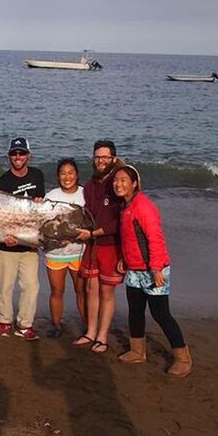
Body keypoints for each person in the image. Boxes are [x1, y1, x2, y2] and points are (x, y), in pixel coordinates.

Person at [113, 165, 192, 377]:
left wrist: (156, 269)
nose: (118, 184)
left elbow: (155, 239)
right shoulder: (125, 206)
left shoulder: (143, 206)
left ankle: (182, 358)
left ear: (134, 184)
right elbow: (129, 239)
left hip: (154, 269)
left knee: (161, 314)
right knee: (135, 311)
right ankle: (138, 351)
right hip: (135, 270)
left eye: (123, 180)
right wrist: (123, 259)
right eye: (116, 180)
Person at [73, 140, 124, 354]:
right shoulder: (92, 183)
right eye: (97, 157)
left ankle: (102, 336)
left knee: (106, 292)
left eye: (104, 157)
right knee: (90, 288)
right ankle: (90, 332)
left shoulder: (118, 181)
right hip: (92, 245)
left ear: (113, 158)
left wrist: (93, 233)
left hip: (110, 245)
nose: (100, 161)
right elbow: (88, 213)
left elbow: (118, 221)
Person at [0, 137, 46, 341]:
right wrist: (6, 237)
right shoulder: (3, 182)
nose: (18, 157)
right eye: (14, 154)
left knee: (31, 286)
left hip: (29, 245)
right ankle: (4, 321)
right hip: (6, 244)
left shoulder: (37, 175)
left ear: (28, 155)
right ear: (9, 157)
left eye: (21, 153)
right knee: (6, 286)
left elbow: (37, 211)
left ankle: (25, 324)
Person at [43, 158, 87, 338]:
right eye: (63, 173)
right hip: (55, 252)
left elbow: (92, 222)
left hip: (80, 253)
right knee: (56, 291)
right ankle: (56, 325)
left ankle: (88, 326)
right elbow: (44, 224)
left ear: (77, 175)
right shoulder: (51, 196)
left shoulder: (86, 195)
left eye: (70, 173)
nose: (67, 177)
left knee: (82, 292)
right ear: (57, 176)